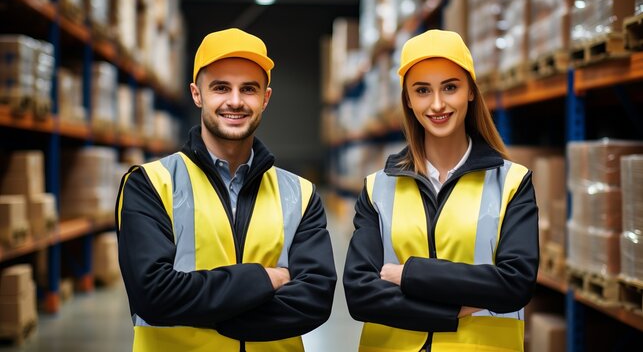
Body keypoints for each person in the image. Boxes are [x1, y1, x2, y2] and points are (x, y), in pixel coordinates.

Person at [116, 28, 337, 352]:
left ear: (265, 98)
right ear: (197, 94)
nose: (235, 101)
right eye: (221, 88)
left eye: (248, 89)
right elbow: (153, 295)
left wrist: (206, 310)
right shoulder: (150, 184)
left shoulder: (299, 194)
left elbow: (315, 299)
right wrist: (264, 279)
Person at [343, 29, 539, 352]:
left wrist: (409, 274)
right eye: (422, 90)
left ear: (471, 92)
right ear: (407, 98)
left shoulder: (512, 184)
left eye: (450, 87)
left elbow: (514, 284)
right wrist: (453, 309)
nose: (437, 104)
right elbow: (360, 293)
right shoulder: (377, 188)